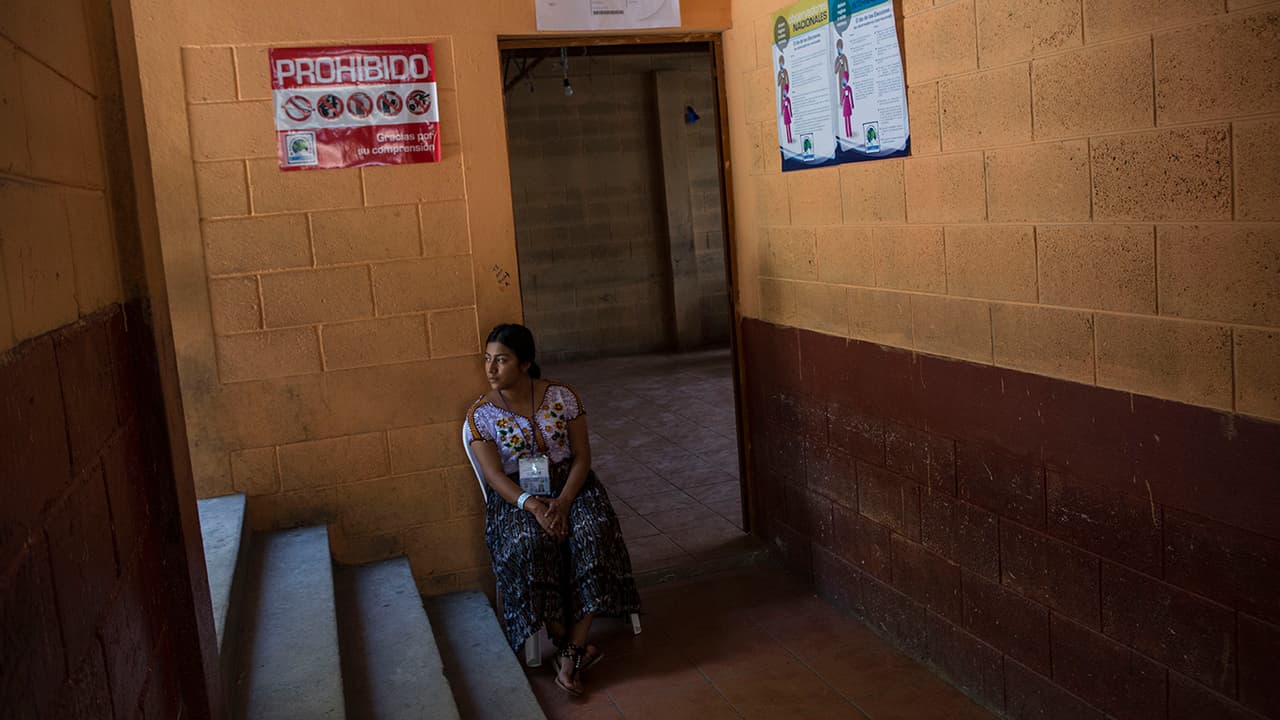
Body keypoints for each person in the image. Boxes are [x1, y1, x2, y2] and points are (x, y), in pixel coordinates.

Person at [465, 323, 640, 696]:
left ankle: (573, 647)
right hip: (516, 497)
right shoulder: (480, 415)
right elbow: (495, 476)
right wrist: (533, 507)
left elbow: (582, 457)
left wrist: (562, 502)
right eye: (487, 360)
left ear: (525, 363)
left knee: (593, 532)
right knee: (529, 546)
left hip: (571, 487)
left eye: (502, 360)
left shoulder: (563, 397)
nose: (491, 369)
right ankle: (570, 646)